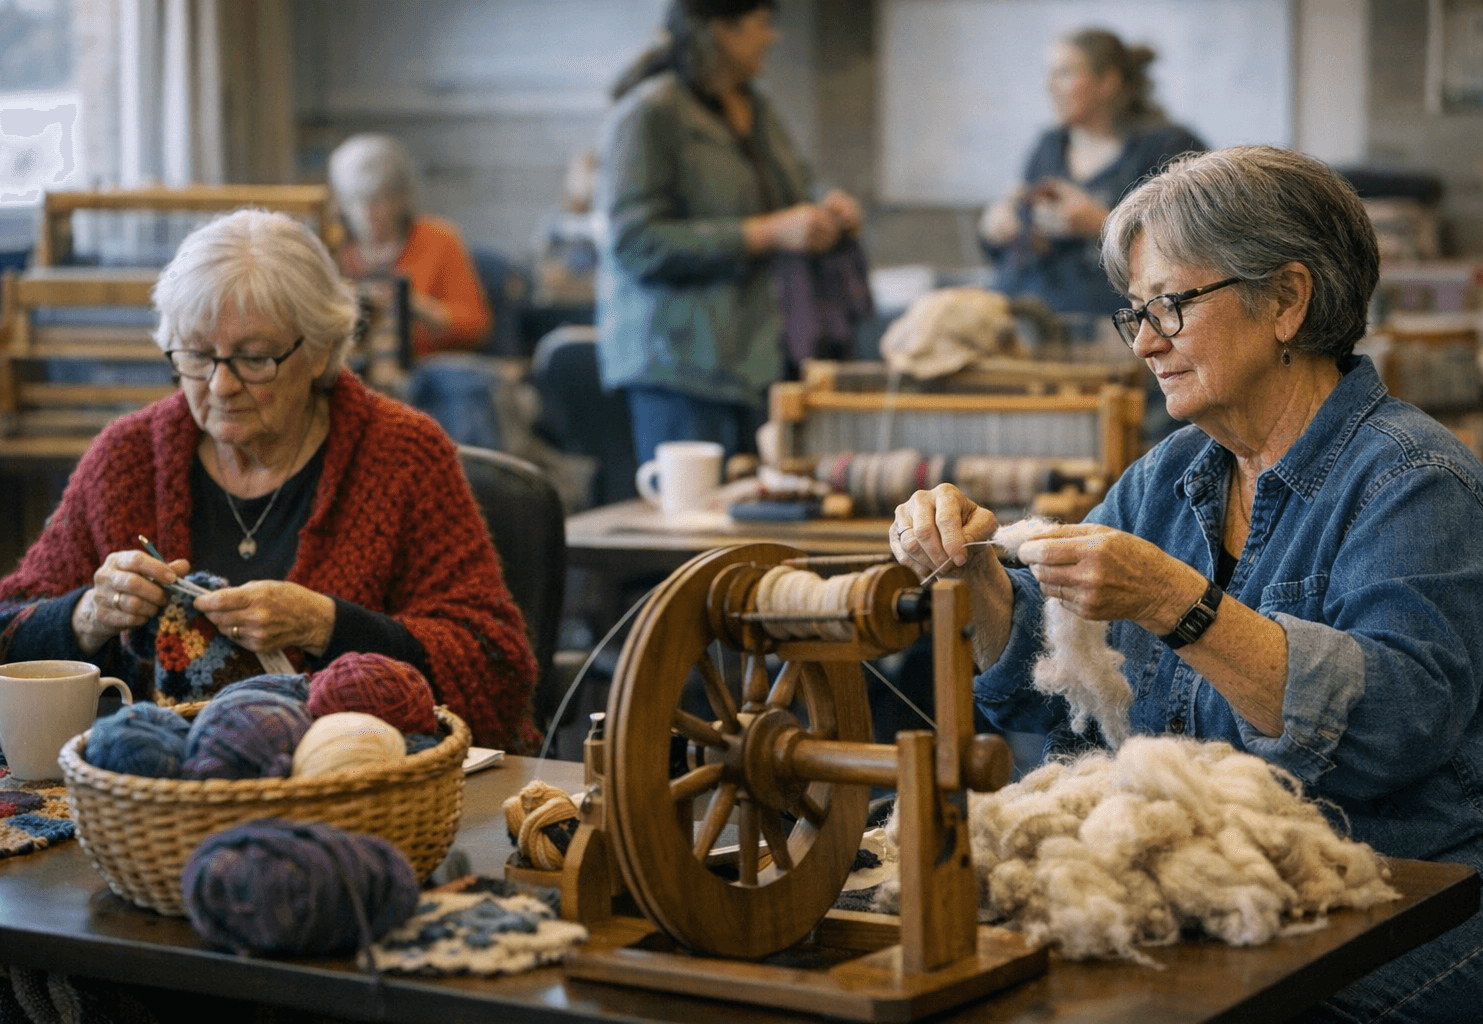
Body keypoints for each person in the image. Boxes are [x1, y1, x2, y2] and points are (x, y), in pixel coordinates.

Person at [893, 146, 1483, 1022]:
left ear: (1286, 300)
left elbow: (1392, 729)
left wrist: (1174, 602)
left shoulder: (1417, 483)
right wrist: (979, 587)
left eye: (1172, 305)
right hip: (1254, 889)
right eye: (1136, 313)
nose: (1147, 341)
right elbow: (1063, 708)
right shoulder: (1166, 480)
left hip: (1447, 896)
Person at [0, 209, 540, 754]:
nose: (221, 384)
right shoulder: (128, 458)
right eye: (197, 354)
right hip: (158, 803)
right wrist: (87, 616)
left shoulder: (402, 456)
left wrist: (327, 625)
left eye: (254, 358)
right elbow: (8, 632)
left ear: (321, 350)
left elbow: (494, 669)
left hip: (352, 791)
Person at [596, 0, 863, 465]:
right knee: (691, 526)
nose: (772, 37)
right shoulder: (651, 113)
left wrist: (825, 206)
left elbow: (791, 184)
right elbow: (636, 243)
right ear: (720, 29)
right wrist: (764, 233)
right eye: (761, 24)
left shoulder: (755, 106)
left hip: (755, 359)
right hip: (682, 368)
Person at [979, 28, 1205, 324]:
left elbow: (1196, 246)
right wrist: (999, 227)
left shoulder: (1168, 146)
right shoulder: (1049, 147)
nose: (1049, 86)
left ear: (1108, 82)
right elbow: (1014, 247)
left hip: (1107, 324)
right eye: (1050, 73)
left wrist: (1102, 224)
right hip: (1021, 308)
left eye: (1065, 73)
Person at [328, 132, 492, 360]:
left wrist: (414, 307)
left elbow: (475, 326)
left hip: (421, 370)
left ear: (402, 197)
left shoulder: (438, 239)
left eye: (378, 199)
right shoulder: (331, 246)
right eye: (356, 200)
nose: (366, 212)